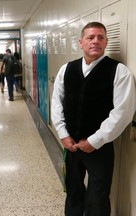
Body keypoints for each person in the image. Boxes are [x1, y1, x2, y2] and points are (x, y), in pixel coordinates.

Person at [51, 22, 136, 216]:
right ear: (81, 42)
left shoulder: (119, 72)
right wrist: (63, 135)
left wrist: (95, 141)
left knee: (98, 195)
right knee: (73, 190)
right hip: (71, 145)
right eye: (90, 37)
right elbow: (57, 103)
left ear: (106, 42)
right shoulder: (67, 70)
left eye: (100, 37)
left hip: (100, 147)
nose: (95, 41)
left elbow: (122, 112)